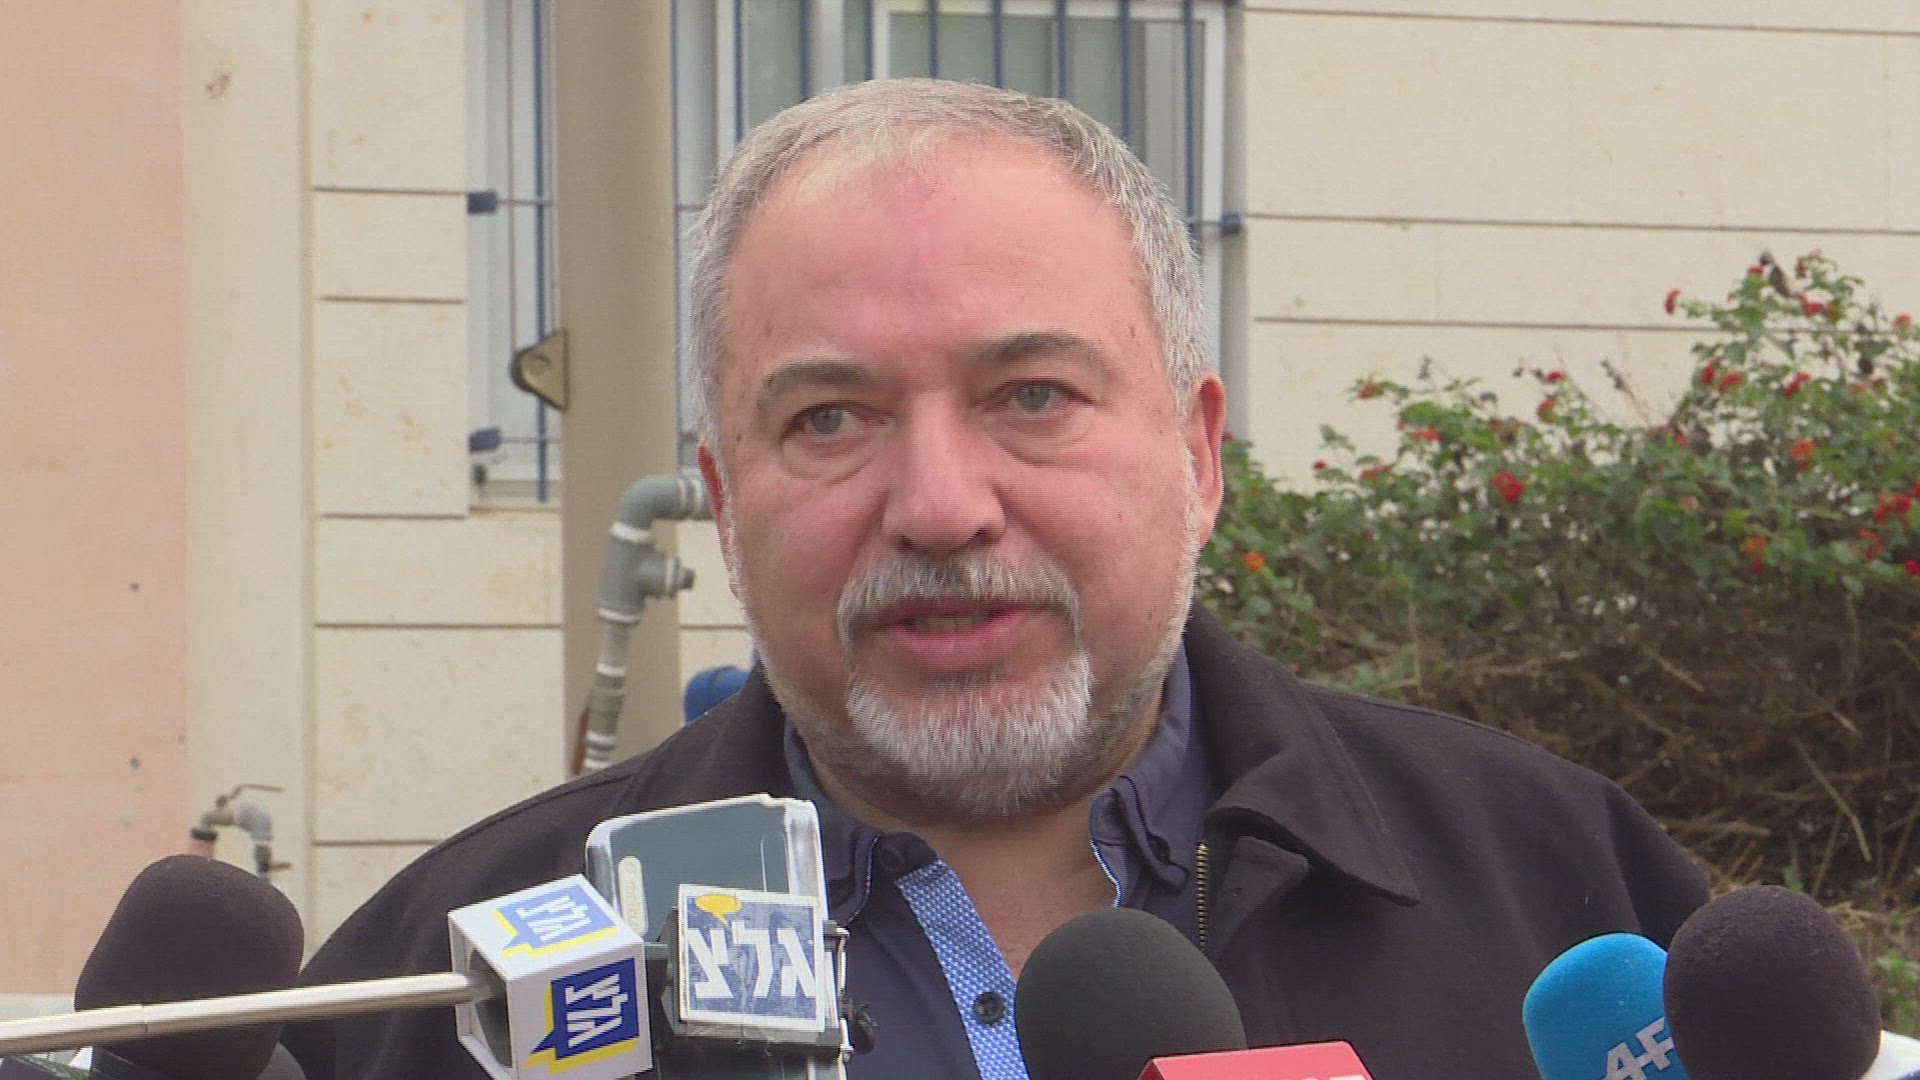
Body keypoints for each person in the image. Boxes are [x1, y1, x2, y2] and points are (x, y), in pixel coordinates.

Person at [285, 78, 1705, 1080]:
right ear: (722, 500)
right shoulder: (424, 995)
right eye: (829, 419)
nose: (941, 508)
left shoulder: (1566, 898)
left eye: (1032, 396)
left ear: (1198, 454)